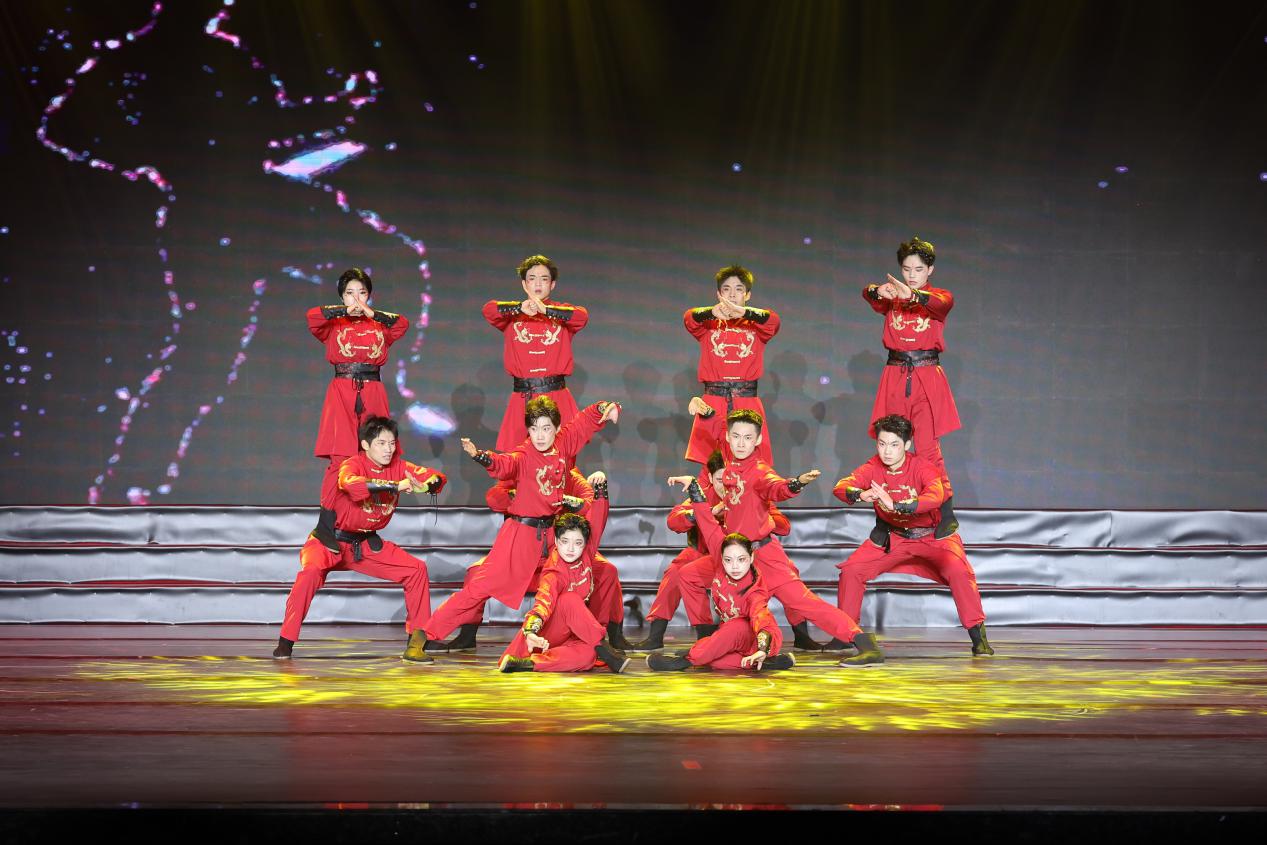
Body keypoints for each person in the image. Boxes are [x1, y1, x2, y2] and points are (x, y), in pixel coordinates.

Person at [670, 409, 885, 667]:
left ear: (758, 440)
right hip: (733, 555)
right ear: (727, 437)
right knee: (688, 575)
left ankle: (865, 644)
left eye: (748, 438)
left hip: (763, 557)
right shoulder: (729, 466)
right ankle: (707, 643)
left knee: (805, 603)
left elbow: (777, 487)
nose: (741, 443)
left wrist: (795, 484)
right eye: (736, 436)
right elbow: (716, 430)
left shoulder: (760, 471)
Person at [411, 397, 619, 652]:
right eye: (534, 429)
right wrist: (480, 456)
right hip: (520, 536)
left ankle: (587, 642)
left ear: (556, 428)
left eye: (546, 428)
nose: (539, 436)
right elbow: (504, 464)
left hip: (552, 535)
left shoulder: (563, 444)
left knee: (570, 582)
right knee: (479, 587)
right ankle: (424, 635)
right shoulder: (524, 454)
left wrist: (606, 408)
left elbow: (582, 423)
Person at [273, 416, 445, 661]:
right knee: (309, 574)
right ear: (365, 445)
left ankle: (416, 644)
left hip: (364, 545)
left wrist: (429, 484)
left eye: (392, 443)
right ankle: (285, 642)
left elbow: (433, 476)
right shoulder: (352, 464)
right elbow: (350, 484)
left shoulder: (399, 466)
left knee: (416, 570)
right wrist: (395, 486)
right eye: (381, 443)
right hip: (329, 541)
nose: (388, 449)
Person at [833, 414, 993, 657]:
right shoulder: (872, 467)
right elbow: (841, 486)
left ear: (907, 445)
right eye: (882, 444)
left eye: (894, 444)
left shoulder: (923, 467)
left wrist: (897, 505)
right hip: (895, 539)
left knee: (960, 572)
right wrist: (859, 494)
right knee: (852, 570)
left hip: (933, 538)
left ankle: (978, 638)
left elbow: (935, 496)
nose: (887, 451)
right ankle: (846, 634)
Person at [634, 450, 821, 651]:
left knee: (789, 569)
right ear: (710, 479)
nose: (725, 485)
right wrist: (705, 513)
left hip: (746, 556)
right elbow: (674, 521)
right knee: (677, 571)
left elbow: (784, 526)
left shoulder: (750, 493)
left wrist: (757, 518)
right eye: (719, 480)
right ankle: (677, 634)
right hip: (708, 554)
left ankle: (801, 634)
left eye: (729, 479)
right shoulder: (704, 495)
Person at [431, 468, 635, 651]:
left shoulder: (570, 474)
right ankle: (466, 634)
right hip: (520, 553)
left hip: (560, 551)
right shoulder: (520, 469)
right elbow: (494, 498)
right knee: (476, 572)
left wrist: (579, 491)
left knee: (607, 570)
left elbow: (589, 500)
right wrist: (526, 496)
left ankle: (605, 635)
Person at [861, 236, 961, 530]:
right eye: (906, 269)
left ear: (930, 270)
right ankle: (885, 518)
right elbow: (868, 295)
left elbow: (941, 303)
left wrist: (913, 295)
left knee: (928, 450)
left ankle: (944, 513)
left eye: (918, 269)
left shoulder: (939, 297)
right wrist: (877, 290)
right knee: (890, 447)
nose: (912, 275)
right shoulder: (893, 296)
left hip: (926, 376)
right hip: (895, 375)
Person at [307, 268, 408, 550]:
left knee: (375, 458)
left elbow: (402, 324)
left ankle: (366, 524)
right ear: (341, 296)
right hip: (342, 390)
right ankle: (326, 526)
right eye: (350, 293)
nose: (357, 299)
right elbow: (312, 317)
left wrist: (371, 313)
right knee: (341, 459)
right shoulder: (334, 323)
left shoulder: (379, 325)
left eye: (362, 293)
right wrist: (344, 310)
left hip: (373, 389)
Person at [647, 487, 792, 672]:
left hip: (756, 637)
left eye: (741, 560)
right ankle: (764, 663)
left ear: (751, 558)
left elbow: (761, 618)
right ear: (720, 558)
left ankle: (684, 661)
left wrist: (763, 648)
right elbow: (708, 525)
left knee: (734, 628)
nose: (735, 566)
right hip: (729, 636)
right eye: (728, 560)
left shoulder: (754, 590)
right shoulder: (719, 561)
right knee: (716, 661)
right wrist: (694, 487)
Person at [497, 502, 630, 674]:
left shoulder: (587, 555)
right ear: (556, 541)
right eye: (565, 541)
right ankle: (604, 649)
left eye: (577, 543)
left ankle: (526, 664)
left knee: (589, 655)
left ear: (585, 544)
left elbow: (598, 519)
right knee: (569, 599)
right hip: (544, 635)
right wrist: (530, 631)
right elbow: (543, 602)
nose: (570, 549)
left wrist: (600, 493)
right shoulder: (554, 573)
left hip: (568, 637)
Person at [482, 255, 588, 451]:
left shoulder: (561, 312)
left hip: (557, 396)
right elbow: (489, 310)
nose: (538, 284)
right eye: (532, 278)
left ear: (552, 284)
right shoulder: (513, 315)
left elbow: (581, 317)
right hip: (523, 398)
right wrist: (518, 308)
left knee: (562, 456)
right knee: (517, 459)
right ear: (524, 284)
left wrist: (546, 310)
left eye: (544, 279)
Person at [683, 265, 780, 466]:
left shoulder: (756, 327)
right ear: (719, 294)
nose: (732, 294)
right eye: (726, 289)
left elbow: (773, 320)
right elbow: (689, 318)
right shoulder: (708, 325)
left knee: (751, 465)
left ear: (748, 294)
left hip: (746, 401)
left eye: (738, 289)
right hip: (713, 401)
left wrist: (743, 312)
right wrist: (711, 312)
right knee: (712, 467)